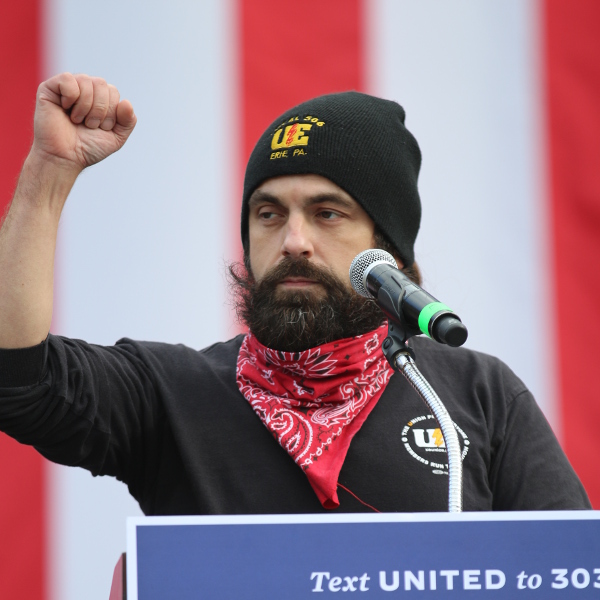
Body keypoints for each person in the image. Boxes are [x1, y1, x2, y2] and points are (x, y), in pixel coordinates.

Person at [0, 73, 590, 513]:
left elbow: (567, 570)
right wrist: (49, 171)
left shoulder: (477, 394)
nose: (294, 241)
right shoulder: (170, 393)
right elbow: (16, 379)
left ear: (388, 251)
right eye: (268, 213)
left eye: (328, 213)